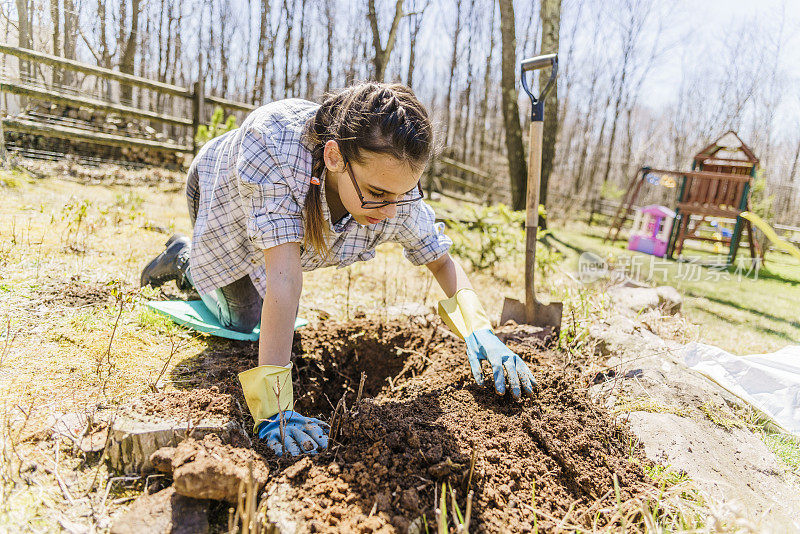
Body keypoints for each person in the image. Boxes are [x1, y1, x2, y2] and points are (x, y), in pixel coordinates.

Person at [141, 82, 536, 457]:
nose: (390, 212)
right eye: (379, 194)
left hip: (274, 223)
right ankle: (184, 258)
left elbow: (441, 260)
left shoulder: (390, 193)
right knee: (245, 320)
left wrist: (481, 331)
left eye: (404, 194)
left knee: (262, 311)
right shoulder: (274, 149)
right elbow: (285, 279)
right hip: (222, 200)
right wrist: (274, 408)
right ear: (333, 157)